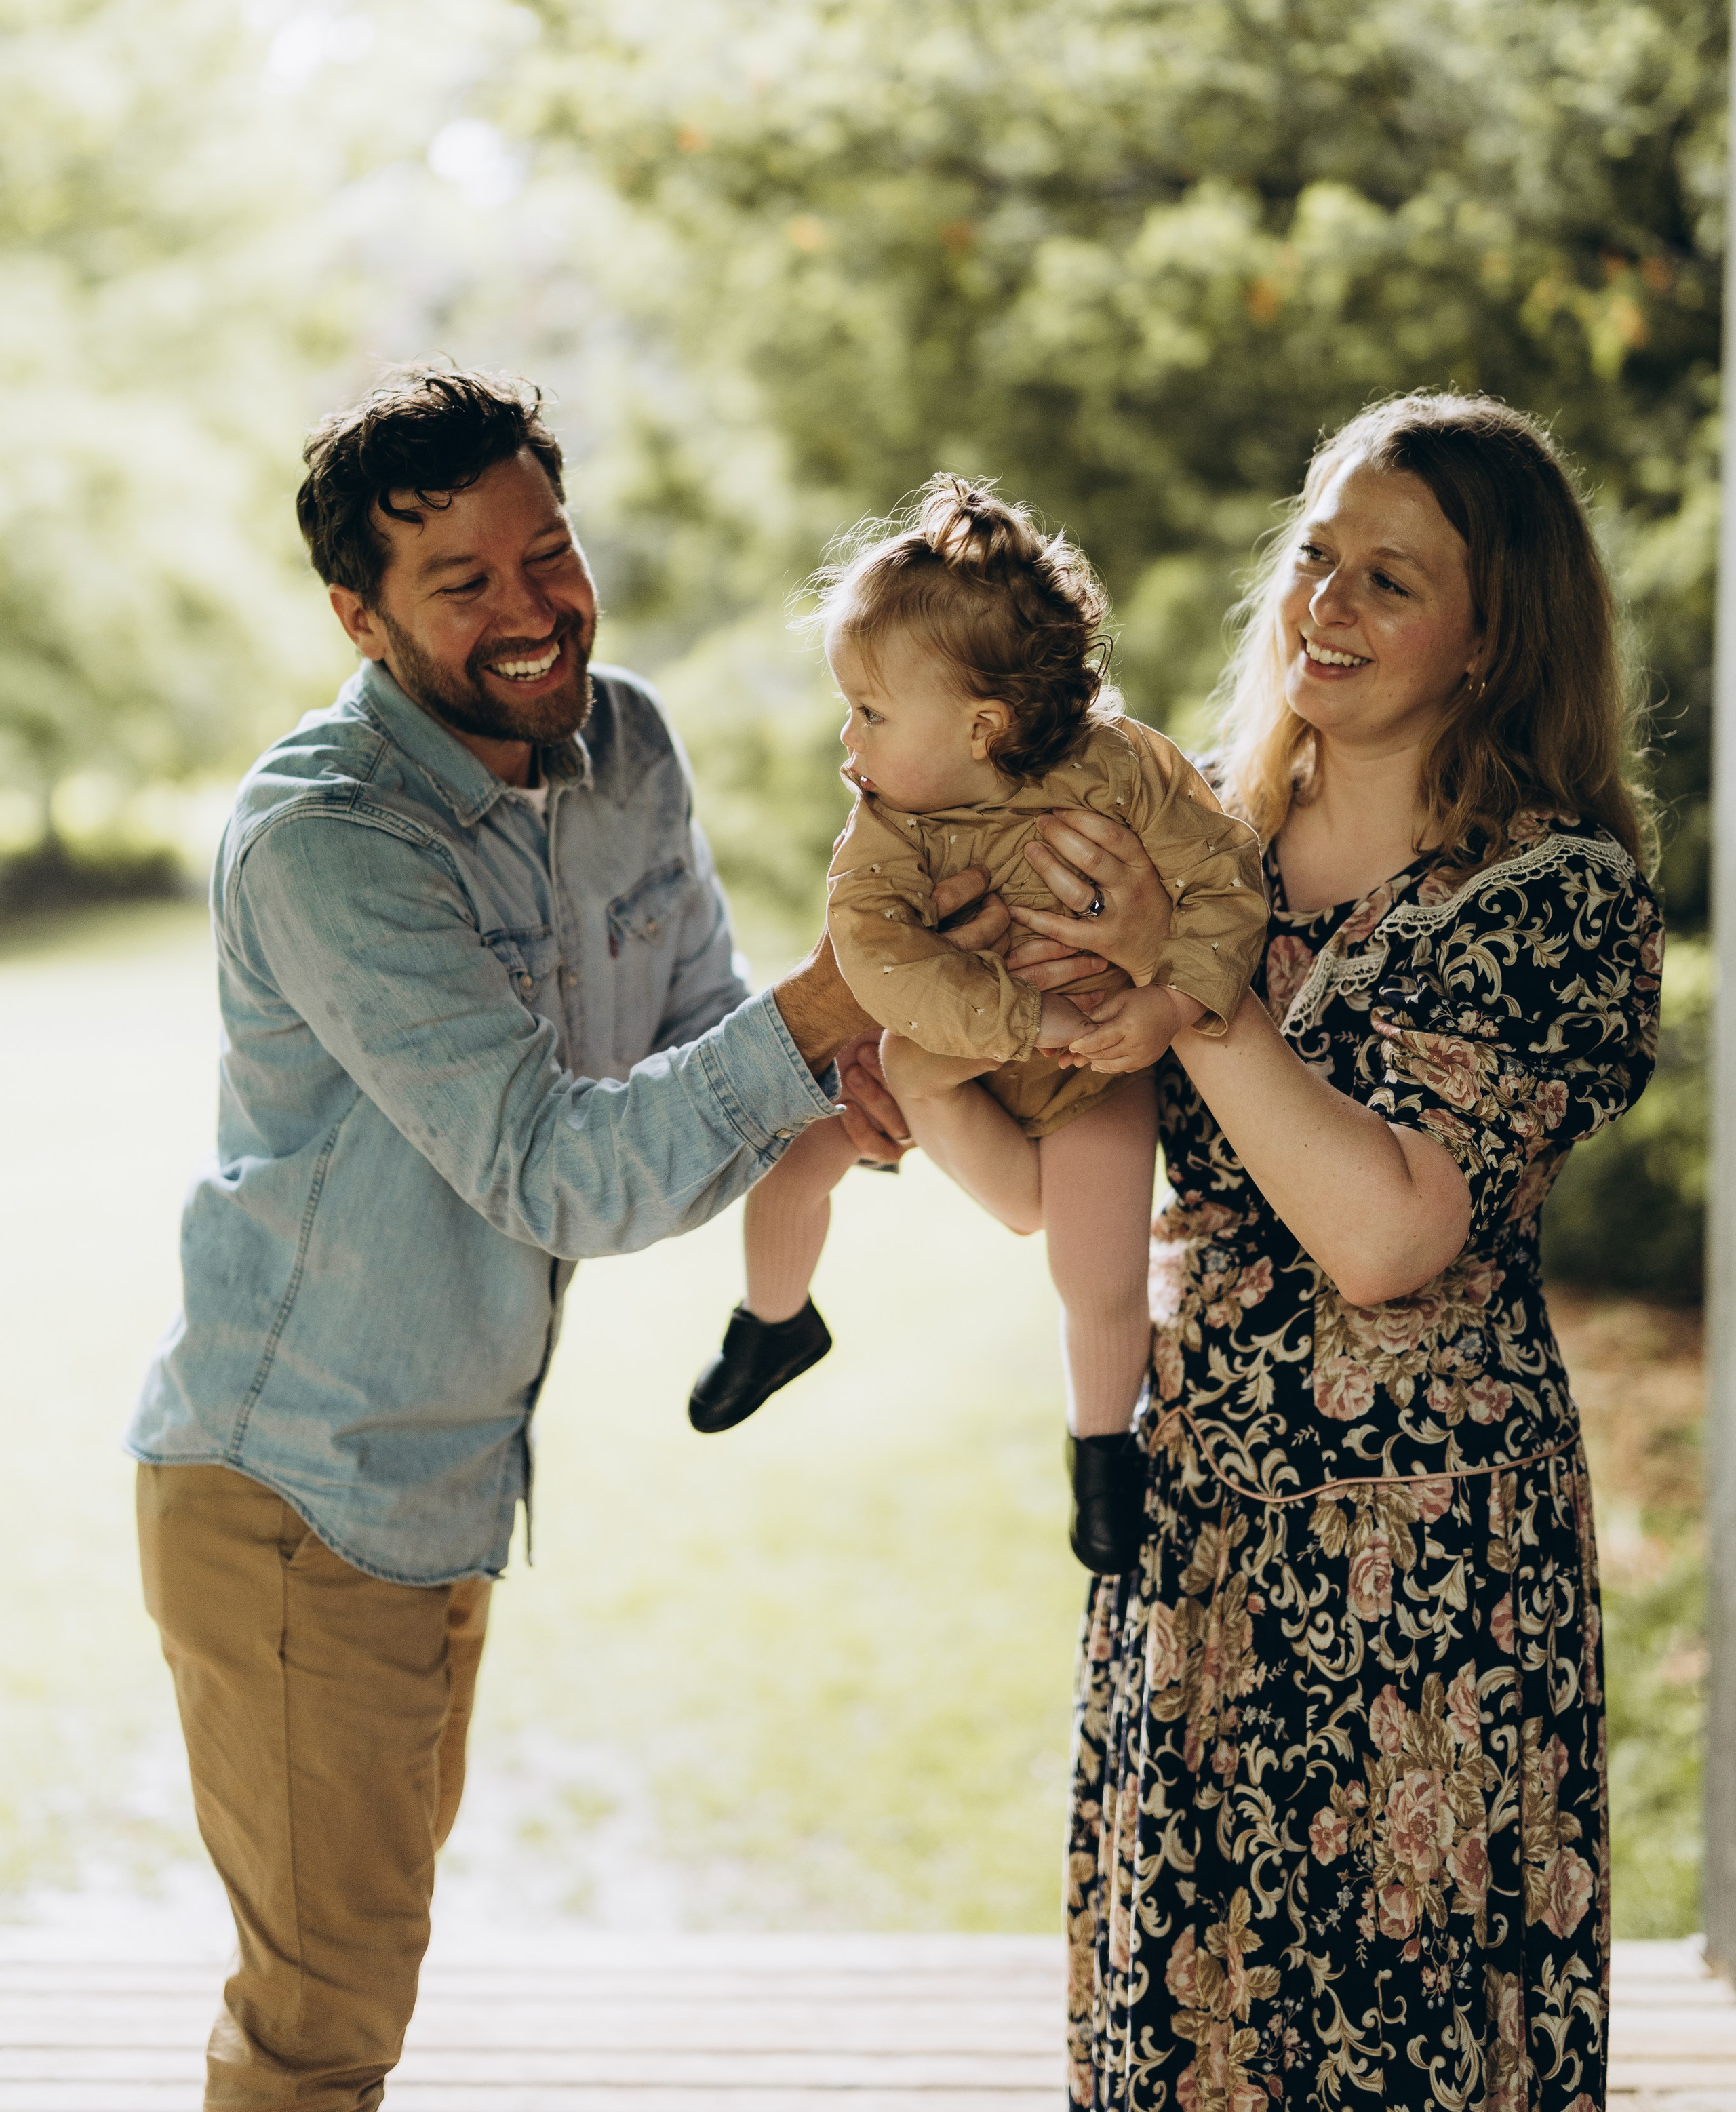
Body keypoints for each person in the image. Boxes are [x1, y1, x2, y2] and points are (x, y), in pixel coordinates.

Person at [123, 364, 959, 2112]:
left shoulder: (625, 743)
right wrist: (819, 1014)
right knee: (320, 2020)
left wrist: (834, 1077)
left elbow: (701, 1028)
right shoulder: (327, 840)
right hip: (294, 1495)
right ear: (358, 617)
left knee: (354, 1980)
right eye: (465, 583)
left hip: (440, 1484)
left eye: (546, 554)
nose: (531, 611)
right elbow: (557, 1170)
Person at [996, 393, 1660, 2111]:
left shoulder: (1549, 897)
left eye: (1388, 578)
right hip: (1197, 1525)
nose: (1325, 605)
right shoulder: (1191, 840)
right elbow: (1058, 1184)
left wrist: (1191, 984)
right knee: (1194, 2019)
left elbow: (1380, 1233)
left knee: (1407, 2032)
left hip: (1426, 1574)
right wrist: (899, 1085)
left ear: (1491, 632)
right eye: (1313, 556)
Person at [687, 475, 1267, 1573]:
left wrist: (1167, 1002)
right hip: (954, 1054)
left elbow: (1227, 877)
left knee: (1095, 1269)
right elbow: (873, 947)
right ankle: (773, 1321)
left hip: (1100, 1058)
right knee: (791, 1150)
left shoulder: (1126, 771)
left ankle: (1104, 1458)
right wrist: (1019, 1013)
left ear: (983, 726)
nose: (846, 743)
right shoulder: (888, 826)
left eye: (868, 712)